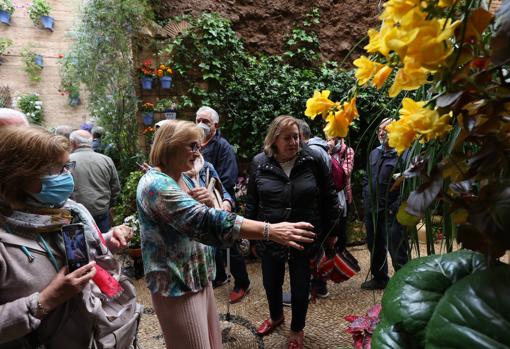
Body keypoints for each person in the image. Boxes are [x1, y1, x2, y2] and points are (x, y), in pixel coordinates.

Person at [136, 119, 315, 349]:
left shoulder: (182, 176)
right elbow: (206, 220)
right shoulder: (155, 185)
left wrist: (210, 200)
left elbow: (205, 212)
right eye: (192, 146)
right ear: (170, 146)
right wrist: (270, 230)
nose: (197, 152)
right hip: (176, 286)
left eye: (198, 146)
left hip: (198, 279)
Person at [0, 126, 141, 348]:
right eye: (57, 170)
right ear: (19, 176)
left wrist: (105, 241)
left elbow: (72, 254)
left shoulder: (67, 212)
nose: (67, 176)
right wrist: (46, 300)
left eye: (68, 166)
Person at [246, 115, 339, 349]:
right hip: (271, 234)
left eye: (297, 137)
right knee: (270, 283)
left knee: (300, 287)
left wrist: (331, 233)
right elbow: (252, 203)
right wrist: (253, 237)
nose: (294, 142)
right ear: (274, 139)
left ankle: (297, 329)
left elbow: (329, 197)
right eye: (287, 138)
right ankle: (276, 317)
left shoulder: (314, 159)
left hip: (304, 235)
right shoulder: (259, 163)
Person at [195, 106, 250, 304]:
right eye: (198, 120)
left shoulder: (223, 147)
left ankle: (242, 283)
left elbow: (227, 178)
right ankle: (219, 276)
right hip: (201, 205)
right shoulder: (196, 145)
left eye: (206, 121)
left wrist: (216, 200)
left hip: (220, 202)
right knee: (211, 242)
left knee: (229, 243)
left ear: (215, 125)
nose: (201, 124)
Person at [361, 118, 409, 290]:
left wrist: (395, 207)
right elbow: (367, 177)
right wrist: (366, 198)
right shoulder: (374, 153)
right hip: (372, 209)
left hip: (391, 211)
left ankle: (405, 283)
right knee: (375, 244)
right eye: (379, 130)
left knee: (397, 246)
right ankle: (380, 279)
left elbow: (407, 185)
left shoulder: (403, 153)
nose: (381, 133)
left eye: (386, 130)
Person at [69, 130, 121, 234]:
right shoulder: (106, 160)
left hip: (75, 214)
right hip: (100, 211)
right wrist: (107, 205)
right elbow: (115, 188)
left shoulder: (67, 161)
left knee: (79, 247)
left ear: (73, 143)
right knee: (103, 245)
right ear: (91, 142)